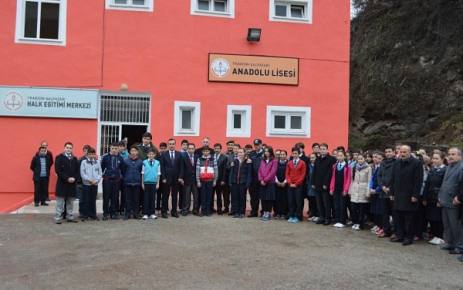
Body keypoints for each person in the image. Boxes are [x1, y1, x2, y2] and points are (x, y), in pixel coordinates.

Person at [390, 145, 424, 246]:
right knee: (398, 217)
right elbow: (393, 178)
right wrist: (392, 192)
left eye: (405, 152)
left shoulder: (417, 163)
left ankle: (408, 237)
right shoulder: (396, 163)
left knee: (409, 219)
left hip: (410, 195)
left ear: (409, 152)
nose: (403, 154)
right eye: (401, 152)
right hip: (398, 194)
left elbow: (418, 181)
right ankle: (400, 235)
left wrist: (415, 195)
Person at [438, 147, 463, 256]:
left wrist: (458, 197)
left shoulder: (461, 167)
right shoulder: (449, 167)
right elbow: (444, 183)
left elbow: (461, 186)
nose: (451, 156)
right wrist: (440, 196)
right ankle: (450, 242)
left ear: (460, 156)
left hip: (454, 201)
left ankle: (459, 245)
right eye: (449, 154)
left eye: (453, 154)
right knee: (447, 224)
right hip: (445, 200)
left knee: (456, 225)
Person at [423, 151, 446, 245]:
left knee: (438, 218)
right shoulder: (432, 169)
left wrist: (440, 199)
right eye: (433, 158)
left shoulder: (445, 170)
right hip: (430, 197)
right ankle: (434, 234)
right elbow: (427, 184)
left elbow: (444, 186)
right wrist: (424, 197)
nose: (434, 160)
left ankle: (440, 236)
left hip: (438, 197)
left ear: (442, 159)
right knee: (431, 217)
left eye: (437, 158)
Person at [54, 142, 79, 224]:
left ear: (72, 149)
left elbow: (77, 171)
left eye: (70, 148)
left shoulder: (75, 159)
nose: (69, 149)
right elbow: (58, 171)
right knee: (60, 203)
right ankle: (58, 218)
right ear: (64, 148)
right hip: (62, 183)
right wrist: (67, 178)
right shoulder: (59, 158)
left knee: (70, 202)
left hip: (72, 184)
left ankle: (70, 217)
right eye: (67, 147)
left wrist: (74, 178)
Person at [311, 143, 336, 225]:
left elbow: (330, 173)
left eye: (324, 149)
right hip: (317, 184)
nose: (322, 150)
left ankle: (327, 218)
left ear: (327, 150)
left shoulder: (331, 159)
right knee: (319, 202)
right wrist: (313, 182)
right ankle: (321, 217)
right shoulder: (317, 159)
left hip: (325, 185)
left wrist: (326, 183)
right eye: (321, 149)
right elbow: (314, 172)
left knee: (326, 203)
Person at [160, 138, 183, 218]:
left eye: (173, 144)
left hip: (176, 179)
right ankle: (164, 211)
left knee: (175, 195)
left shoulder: (179, 154)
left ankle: (174, 211)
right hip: (166, 178)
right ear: (168, 145)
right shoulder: (163, 154)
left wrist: (180, 177)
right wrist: (163, 177)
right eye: (170, 144)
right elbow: (162, 167)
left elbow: (181, 167)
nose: (171, 145)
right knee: (165, 195)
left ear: (175, 144)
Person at [348, 153, 372, 230]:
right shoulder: (354, 167)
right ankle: (355, 222)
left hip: (363, 188)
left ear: (364, 159)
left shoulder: (368, 168)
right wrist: (350, 190)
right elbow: (352, 180)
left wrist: (368, 191)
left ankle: (360, 223)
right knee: (354, 208)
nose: (360, 160)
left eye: (361, 159)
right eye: (358, 159)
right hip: (355, 188)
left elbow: (369, 181)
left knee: (361, 209)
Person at [101, 142, 124, 220]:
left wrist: (120, 177)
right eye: (113, 148)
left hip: (116, 181)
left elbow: (122, 169)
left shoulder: (120, 158)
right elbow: (101, 168)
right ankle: (105, 213)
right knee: (106, 197)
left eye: (116, 148)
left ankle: (113, 213)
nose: (114, 150)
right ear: (110, 148)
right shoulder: (105, 157)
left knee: (115, 197)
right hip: (107, 180)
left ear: (118, 149)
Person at [329, 150, 352, 228]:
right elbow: (333, 178)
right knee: (336, 205)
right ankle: (337, 220)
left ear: (344, 156)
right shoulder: (335, 166)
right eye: (338, 156)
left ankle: (342, 221)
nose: (339, 157)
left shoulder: (347, 167)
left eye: (341, 155)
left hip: (343, 189)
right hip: (336, 188)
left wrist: (346, 189)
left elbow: (348, 179)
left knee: (342, 205)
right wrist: (331, 188)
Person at [377, 147, 396, 237]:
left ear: (393, 152)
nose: (388, 153)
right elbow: (379, 176)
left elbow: (397, 177)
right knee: (384, 213)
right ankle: (386, 230)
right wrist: (382, 186)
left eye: (389, 151)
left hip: (392, 192)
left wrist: (390, 188)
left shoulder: (397, 163)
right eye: (386, 152)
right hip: (383, 192)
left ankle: (395, 231)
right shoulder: (382, 163)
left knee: (394, 213)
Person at [80, 147, 102, 221]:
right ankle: (85, 215)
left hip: (94, 184)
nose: (92, 155)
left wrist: (96, 180)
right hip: (87, 184)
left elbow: (100, 173)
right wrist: (89, 180)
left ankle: (93, 214)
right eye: (90, 154)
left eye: (93, 154)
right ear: (87, 154)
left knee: (93, 200)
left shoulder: (97, 162)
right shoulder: (84, 162)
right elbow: (83, 173)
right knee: (86, 199)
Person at [229, 147, 252, 218]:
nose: (240, 154)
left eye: (241, 152)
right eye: (239, 152)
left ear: (244, 153)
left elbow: (249, 173)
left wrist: (248, 182)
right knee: (235, 197)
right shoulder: (235, 161)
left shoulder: (248, 161)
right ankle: (236, 212)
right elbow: (231, 172)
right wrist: (230, 181)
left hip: (243, 182)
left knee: (242, 197)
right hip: (235, 182)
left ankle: (242, 212)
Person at [121, 146, 143, 220]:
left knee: (136, 199)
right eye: (132, 150)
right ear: (130, 152)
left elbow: (141, 172)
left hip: (137, 183)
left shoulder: (140, 161)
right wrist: (126, 178)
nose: (133, 152)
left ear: (137, 152)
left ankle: (135, 213)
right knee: (127, 199)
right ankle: (127, 213)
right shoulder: (125, 161)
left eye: (135, 151)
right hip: (128, 183)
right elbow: (123, 171)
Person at [286, 147, 307, 223]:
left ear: (299, 154)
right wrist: (289, 182)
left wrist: (296, 183)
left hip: (298, 185)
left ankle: (298, 216)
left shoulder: (302, 163)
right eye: (293, 153)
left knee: (298, 202)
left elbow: (303, 175)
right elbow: (287, 174)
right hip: (290, 185)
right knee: (291, 201)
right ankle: (291, 216)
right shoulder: (289, 163)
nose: (294, 155)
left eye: (296, 153)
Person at [196, 146, 218, 217]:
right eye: (204, 151)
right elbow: (197, 170)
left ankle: (208, 211)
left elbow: (216, 170)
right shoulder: (199, 159)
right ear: (202, 152)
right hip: (202, 181)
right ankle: (203, 210)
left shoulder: (213, 159)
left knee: (209, 196)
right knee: (202, 196)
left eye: (207, 151)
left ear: (209, 152)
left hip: (210, 180)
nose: (206, 152)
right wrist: (198, 181)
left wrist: (215, 180)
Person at [258, 146, 278, 221]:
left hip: (270, 183)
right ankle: (264, 211)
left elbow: (272, 172)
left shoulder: (274, 161)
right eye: (265, 151)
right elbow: (259, 171)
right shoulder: (262, 160)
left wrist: (265, 180)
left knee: (269, 198)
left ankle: (268, 212)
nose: (266, 153)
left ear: (270, 152)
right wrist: (261, 180)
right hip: (262, 182)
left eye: (267, 151)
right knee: (263, 198)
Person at [180, 143, 199, 215]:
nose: (191, 150)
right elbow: (182, 168)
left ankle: (195, 210)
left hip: (195, 180)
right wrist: (181, 177)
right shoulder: (183, 156)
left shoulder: (197, 156)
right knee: (186, 196)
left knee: (196, 196)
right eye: (189, 148)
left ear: (194, 149)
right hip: (186, 179)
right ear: (187, 149)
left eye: (192, 148)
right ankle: (185, 210)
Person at [141, 149, 160, 220]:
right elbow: (142, 173)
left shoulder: (158, 162)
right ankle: (145, 213)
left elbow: (158, 174)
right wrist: (142, 183)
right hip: (146, 183)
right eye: (149, 154)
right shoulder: (144, 162)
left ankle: (152, 213)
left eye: (152, 154)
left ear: (154, 155)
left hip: (154, 183)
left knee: (153, 198)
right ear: (147, 155)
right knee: (146, 198)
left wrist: (158, 183)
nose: (151, 155)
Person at [248, 139, 263, 217]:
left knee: (263, 196)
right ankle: (254, 211)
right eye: (255, 145)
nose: (256, 146)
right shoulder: (251, 153)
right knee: (253, 196)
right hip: (253, 179)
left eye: (258, 145)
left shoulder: (265, 153)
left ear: (261, 145)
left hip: (262, 179)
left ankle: (263, 211)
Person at [369, 152, 383, 236]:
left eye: (378, 158)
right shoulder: (375, 167)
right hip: (373, 191)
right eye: (374, 157)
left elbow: (381, 181)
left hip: (379, 192)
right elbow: (372, 179)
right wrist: (370, 188)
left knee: (379, 210)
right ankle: (377, 224)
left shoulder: (382, 167)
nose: (375, 159)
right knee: (374, 209)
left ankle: (380, 226)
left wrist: (376, 190)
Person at [213, 143, 228, 215]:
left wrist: (223, 180)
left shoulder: (224, 157)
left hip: (220, 180)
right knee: (211, 195)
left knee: (219, 195)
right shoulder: (211, 156)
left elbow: (225, 170)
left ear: (220, 149)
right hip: (211, 179)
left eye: (218, 148)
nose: (216, 150)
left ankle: (219, 209)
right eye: (215, 148)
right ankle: (211, 208)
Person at [275, 150, 288, 219]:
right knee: (277, 199)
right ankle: (277, 213)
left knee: (284, 199)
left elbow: (288, 174)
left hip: (285, 184)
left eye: (283, 154)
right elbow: (274, 173)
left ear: (286, 155)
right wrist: (277, 181)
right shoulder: (276, 163)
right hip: (277, 184)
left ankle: (283, 213)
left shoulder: (288, 163)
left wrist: (284, 182)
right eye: (281, 154)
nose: (282, 156)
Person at [156, 142, 168, 213]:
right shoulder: (157, 155)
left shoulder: (167, 155)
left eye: (164, 148)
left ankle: (165, 207)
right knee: (158, 194)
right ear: (159, 148)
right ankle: (157, 207)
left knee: (165, 194)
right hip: (158, 178)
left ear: (166, 148)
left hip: (165, 178)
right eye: (161, 148)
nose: (163, 150)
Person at [306, 153, 318, 221]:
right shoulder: (308, 166)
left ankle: (317, 215)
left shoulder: (318, 166)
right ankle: (312, 214)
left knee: (317, 201)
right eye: (311, 158)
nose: (312, 159)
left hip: (316, 187)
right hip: (309, 186)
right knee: (311, 201)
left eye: (313, 158)